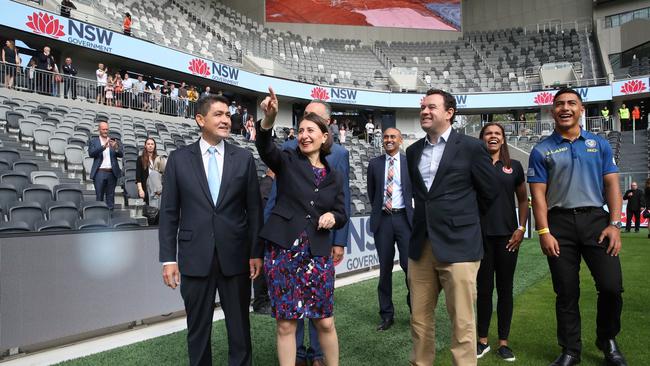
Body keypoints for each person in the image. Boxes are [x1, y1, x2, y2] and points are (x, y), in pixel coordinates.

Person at [159, 95, 263, 366]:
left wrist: (255, 252)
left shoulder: (244, 158)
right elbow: (169, 213)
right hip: (194, 258)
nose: (226, 120)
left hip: (237, 257)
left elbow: (254, 210)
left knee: (240, 329)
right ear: (200, 120)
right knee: (198, 330)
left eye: (227, 114)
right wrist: (169, 259)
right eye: (218, 114)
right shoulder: (179, 159)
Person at [528, 88, 626, 366]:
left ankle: (607, 339)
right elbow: (537, 196)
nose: (565, 108)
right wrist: (544, 232)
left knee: (611, 287)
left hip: (597, 221)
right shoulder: (542, 150)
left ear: (582, 109)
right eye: (559, 104)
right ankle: (571, 350)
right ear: (552, 111)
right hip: (559, 224)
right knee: (566, 291)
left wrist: (615, 225)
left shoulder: (600, 144)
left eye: (572, 103)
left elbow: (612, 185)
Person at [405, 88, 498, 366]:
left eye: (431, 107)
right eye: (422, 107)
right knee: (419, 321)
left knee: (462, 322)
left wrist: (462, 222)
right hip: (421, 247)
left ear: (449, 113)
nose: (424, 111)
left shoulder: (471, 147)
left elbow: (490, 192)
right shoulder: (412, 152)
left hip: (460, 247)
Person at [257, 87, 347, 366]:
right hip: (283, 253)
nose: (305, 135)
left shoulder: (335, 175)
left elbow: (342, 212)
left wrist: (333, 217)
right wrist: (268, 119)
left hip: (318, 255)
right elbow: (264, 146)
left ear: (324, 137)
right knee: (286, 325)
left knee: (325, 322)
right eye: (301, 130)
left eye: (311, 130)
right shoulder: (286, 160)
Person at [476, 122, 528, 362]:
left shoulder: (514, 166)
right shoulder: (473, 166)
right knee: (484, 290)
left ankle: (504, 342)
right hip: (481, 238)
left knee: (505, 289)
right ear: (482, 138)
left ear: (504, 139)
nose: (493, 136)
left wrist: (521, 227)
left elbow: (523, 200)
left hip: (508, 237)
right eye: (489, 133)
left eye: (497, 133)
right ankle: (482, 340)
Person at [367, 127, 413, 331]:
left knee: (409, 268)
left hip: (404, 219)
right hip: (383, 221)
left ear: (400, 140)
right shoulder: (374, 164)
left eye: (393, 136)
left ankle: (416, 312)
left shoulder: (409, 162)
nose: (388, 140)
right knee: (384, 270)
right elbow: (372, 192)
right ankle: (386, 315)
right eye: (386, 137)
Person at [253, 167, 275, 315]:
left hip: (263, 234)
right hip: (261, 235)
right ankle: (260, 303)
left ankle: (263, 300)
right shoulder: (267, 184)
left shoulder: (268, 183)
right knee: (261, 271)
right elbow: (264, 211)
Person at [88, 121, 123, 210]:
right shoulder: (94, 141)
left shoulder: (113, 141)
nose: (105, 131)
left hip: (112, 173)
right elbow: (91, 153)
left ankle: (110, 218)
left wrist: (115, 148)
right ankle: (99, 216)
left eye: (107, 129)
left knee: (110, 197)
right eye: (103, 129)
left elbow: (121, 154)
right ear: (99, 130)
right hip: (100, 172)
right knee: (99, 196)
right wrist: (103, 147)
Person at [136, 138, 157, 205]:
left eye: (152, 144)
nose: (150, 146)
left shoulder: (158, 158)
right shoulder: (140, 159)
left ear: (154, 146)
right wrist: (140, 190)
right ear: (145, 146)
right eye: (148, 144)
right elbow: (138, 177)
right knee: (149, 210)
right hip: (146, 188)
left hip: (157, 188)